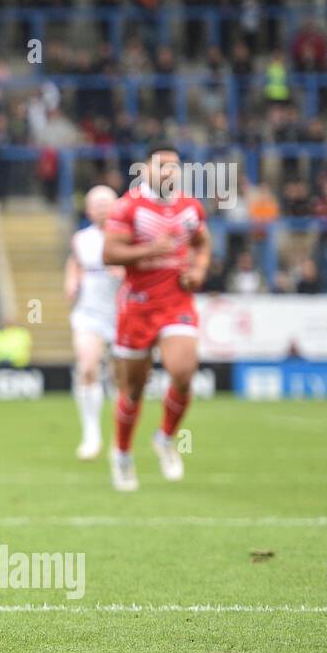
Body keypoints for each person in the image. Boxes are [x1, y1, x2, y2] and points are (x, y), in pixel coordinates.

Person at [103, 147, 211, 492]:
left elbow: (202, 244)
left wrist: (198, 270)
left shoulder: (190, 207)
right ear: (145, 169)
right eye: (161, 166)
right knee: (133, 389)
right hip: (137, 306)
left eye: (174, 167)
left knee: (182, 371)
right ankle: (121, 453)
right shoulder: (127, 207)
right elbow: (110, 253)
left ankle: (165, 437)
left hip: (176, 301)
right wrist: (151, 250)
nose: (168, 172)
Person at [64, 185, 121, 460]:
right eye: (95, 204)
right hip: (89, 313)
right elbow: (75, 263)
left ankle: (121, 439)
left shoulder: (127, 236)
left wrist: (122, 270)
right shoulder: (81, 239)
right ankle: (91, 434)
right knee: (87, 368)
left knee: (121, 379)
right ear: (88, 210)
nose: (101, 208)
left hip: (122, 314)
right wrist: (72, 281)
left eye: (105, 203)